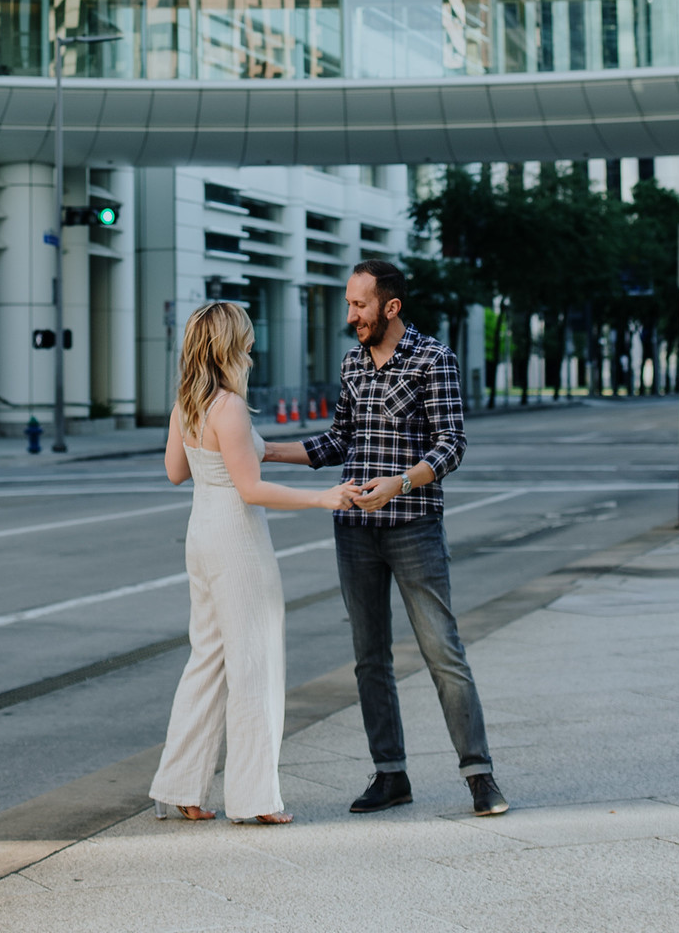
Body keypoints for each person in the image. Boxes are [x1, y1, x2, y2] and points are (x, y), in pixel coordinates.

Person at [263, 258, 508, 818]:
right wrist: (265, 450)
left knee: (442, 652)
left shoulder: (432, 359)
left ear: (390, 306)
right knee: (368, 658)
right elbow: (336, 442)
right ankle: (390, 775)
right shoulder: (352, 363)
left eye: (359, 305)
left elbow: (452, 446)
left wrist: (399, 483)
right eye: (350, 305)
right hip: (354, 531)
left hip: (414, 528)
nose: (351, 315)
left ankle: (480, 776)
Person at [150, 300, 356, 825]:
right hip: (237, 541)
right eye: (246, 336)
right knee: (255, 665)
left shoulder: (187, 403)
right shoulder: (230, 407)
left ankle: (182, 787)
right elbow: (250, 488)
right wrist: (323, 498)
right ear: (229, 344)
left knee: (207, 660)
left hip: (202, 534)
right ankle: (255, 799)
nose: (253, 344)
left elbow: (177, 471)